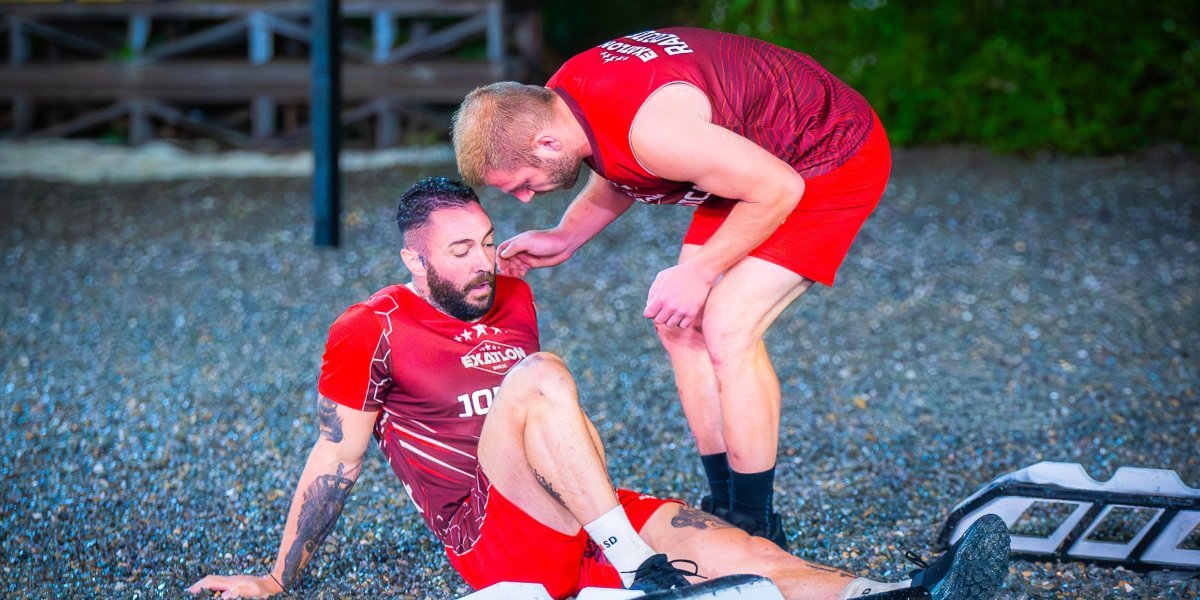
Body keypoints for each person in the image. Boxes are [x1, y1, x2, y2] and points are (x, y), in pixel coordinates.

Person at [187, 178, 1008, 600]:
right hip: (491, 532)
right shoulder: (370, 326)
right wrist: (279, 577)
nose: (482, 263)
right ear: (414, 259)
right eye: (459, 252)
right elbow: (336, 458)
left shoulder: (511, 292)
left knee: (756, 558)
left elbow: (547, 428)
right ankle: (634, 563)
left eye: (486, 241)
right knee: (539, 375)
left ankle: (907, 592)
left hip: (584, 511)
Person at [451, 26, 892, 547]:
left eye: (523, 184)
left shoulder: (655, 134)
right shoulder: (564, 102)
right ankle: (724, 503)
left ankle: (757, 525)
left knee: (727, 325)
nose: (526, 199)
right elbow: (616, 162)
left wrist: (700, 271)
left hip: (825, 152)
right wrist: (566, 235)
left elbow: (777, 187)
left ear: (546, 143)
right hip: (751, 159)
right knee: (680, 324)